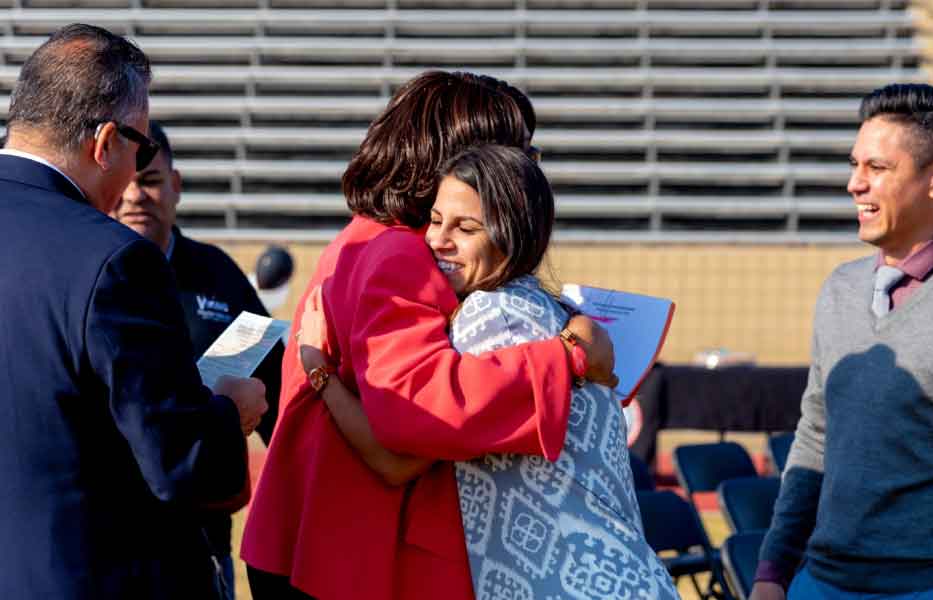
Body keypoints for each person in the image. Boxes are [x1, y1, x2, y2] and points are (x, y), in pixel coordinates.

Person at [241, 70, 615, 600]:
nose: (528, 173)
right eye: (520, 154)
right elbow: (420, 412)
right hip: (351, 553)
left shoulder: (369, 238)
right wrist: (566, 358)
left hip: (318, 541)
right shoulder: (405, 256)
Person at [303, 144, 681, 599]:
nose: (438, 241)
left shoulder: (493, 321)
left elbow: (397, 459)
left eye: (466, 228)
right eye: (437, 220)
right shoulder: (550, 309)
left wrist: (318, 370)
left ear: (511, 235)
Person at [0, 24, 268, 600]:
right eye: (140, 147)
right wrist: (228, 415)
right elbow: (181, 463)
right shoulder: (115, 259)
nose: (134, 177)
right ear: (104, 144)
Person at [751, 83, 933, 599]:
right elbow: (815, 435)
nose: (854, 184)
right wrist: (773, 572)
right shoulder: (839, 290)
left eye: (877, 169)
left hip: (930, 590)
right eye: (854, 164)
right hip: (817, 584)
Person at [110, 120, 283, 597]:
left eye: (150, 181)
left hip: (203, 544)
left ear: (176, 186)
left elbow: (282, 402)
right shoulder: (87, 277)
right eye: (126, 182)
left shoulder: (219, 277)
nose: (135, 197)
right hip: (105, 542)